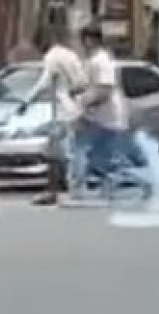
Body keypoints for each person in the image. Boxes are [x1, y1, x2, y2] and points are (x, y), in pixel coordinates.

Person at [32, 27, 90, 206]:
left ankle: (62, 191)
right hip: (74, 109)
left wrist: (29, 98)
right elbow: (82, 82)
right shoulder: (71, 55)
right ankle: (65, 190)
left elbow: (46, 80)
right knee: (67, 152)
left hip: (61, 112)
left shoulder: (51, 56)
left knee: (59, 154)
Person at [75, 22, 132, 191]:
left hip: (108, 118)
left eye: (83, 39)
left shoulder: (101, 61)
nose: (82, 44)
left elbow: (105, 89)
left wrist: (83, 103)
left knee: (105, 157)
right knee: (100, 156)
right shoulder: (95, 60)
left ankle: (121, 185)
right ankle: (101, 187)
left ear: (90, 40)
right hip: (101, 118)